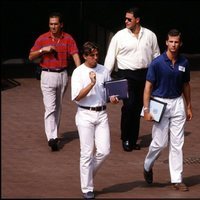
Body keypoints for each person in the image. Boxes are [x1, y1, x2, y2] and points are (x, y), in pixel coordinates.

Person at [104, 6, 160, 151]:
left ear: (137, 20)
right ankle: (126, 138)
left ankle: (133, 139)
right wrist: (105, 79)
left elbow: (156, 56)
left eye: (129, 19)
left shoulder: (150, 35)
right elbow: (110, 58)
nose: (126, 21)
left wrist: (158, 76)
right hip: (126, 75)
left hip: (144, 75)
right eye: (125, 18)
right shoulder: (119, 36)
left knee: (137, 107)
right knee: (128, 106)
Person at [143, 29, 193, 191]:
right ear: (166, 43)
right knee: (160, 142)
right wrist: (146, 109)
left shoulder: (184, 63)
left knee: (177, 143)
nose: (173, 45)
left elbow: (186, 85)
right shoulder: (156, 63)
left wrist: (189, 106)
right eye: (171, 41)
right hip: (159, 103)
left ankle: (176, 179)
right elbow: (148, 87)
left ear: (180, 43)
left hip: (177, 102)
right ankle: (147, 165)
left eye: (176, 42)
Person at [71, 42, 119, 199]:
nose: (96, 58)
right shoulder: (78, 73)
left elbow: (108, 91)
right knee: (86, 153)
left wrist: (112, 97)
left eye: (97, 55)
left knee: (104, 150)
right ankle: (87, 188)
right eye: (92, 55)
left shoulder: (104, 70)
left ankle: (86, 174)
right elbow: (77, 96)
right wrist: (91, 83)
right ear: (85, 56)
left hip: (101, 114)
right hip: (85, 115)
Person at [29, 12, 81, 151]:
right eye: (51, 24)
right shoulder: (42, 38)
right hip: (47, 74)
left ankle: (54, 133)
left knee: (58, 106)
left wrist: (81, 71)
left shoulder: (68, 38)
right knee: (50, 107)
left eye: (56, 24)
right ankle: (51, 138)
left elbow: (75, 54)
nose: (53, 26)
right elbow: (30, 56)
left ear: (61, 24)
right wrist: (42, 50)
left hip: (62, 74)